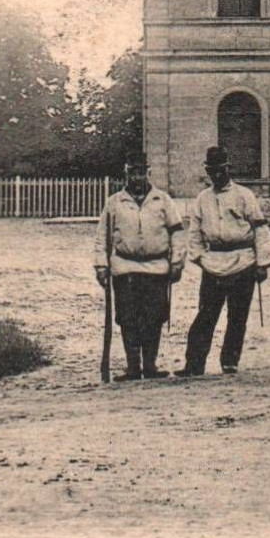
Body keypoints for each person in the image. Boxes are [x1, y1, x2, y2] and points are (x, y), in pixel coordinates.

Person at [178, 146, 270, 377]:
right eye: (212, 171)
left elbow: (259, 228)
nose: (217, 175)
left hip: (243, 262)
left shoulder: (244, 195)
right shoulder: (202, 199)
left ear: (228, 169)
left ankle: (230, 361)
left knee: (237, 316)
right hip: (213, 264)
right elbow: (194, 232)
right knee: (205, 315)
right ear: (208, 172)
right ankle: (194, 364)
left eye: (221, 170)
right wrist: (200, 257)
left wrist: (263, 263)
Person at [92, 154, 186, 380]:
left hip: (156, 268)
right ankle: (133, 367)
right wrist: (101, 266)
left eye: (141, 172)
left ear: (148, 172)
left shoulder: (162, 200)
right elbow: (101, 238)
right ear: (126, 174)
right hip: (125, 268)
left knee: (154, 317)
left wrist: (177, 262)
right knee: (128, 317)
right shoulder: (114, 202)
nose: (137, 177)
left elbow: (177, 233)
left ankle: (150, 366)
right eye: (133, 172)